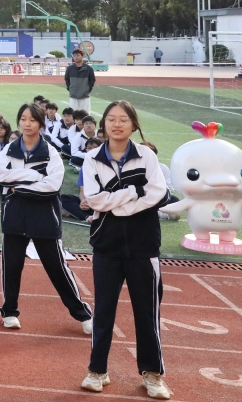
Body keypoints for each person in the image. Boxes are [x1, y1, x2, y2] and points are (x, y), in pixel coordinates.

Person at [79, 100, 170, 399]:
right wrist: (132, 192)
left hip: (144, 245)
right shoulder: (92, 158)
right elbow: (94, 199)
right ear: (104, 123)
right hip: (106, 244)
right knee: (104, 311)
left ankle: (152, 374)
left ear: (133, 124)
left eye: (123, 119)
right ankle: (97, 370)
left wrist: (119, 206)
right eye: (111, 119)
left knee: (147, 313)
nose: (117, 124)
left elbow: (157, 193)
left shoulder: (146, 155)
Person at [0, 102, 93, 333]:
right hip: (15, 216)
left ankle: (82, 314)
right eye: (23, 119)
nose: (27, 124)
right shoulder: (9, 149)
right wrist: (35, 175)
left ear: (40, 123)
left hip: (44, 217)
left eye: (32, 120)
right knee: (11, 266)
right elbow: (2, 176)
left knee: (57, 268)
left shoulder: (51, 152)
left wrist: (19, 185)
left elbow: (52, 185)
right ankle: (9, 311)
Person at [65, 49, 96, 115]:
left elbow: (92, 80)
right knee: (73, 115)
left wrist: (87, 89)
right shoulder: (70, 69)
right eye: (74, 56)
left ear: (82, 56)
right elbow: (67, 79)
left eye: (78, 55)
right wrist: (70, 88)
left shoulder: (88, 69)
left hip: (84, 96)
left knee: (85, 115)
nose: (76, 57)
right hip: (73, 95)